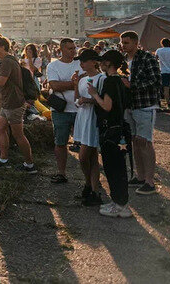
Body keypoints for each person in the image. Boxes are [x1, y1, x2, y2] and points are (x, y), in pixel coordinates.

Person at [0, 35, 37, 173]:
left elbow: (1, 81)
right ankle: (3, 159)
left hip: (14, 102)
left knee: (18, 135)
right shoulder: (6, 60)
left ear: (3, 47)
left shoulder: (7, 62)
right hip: (8, 101)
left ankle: (30, 165)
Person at [90, 50, 133, 218]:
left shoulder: (110, 81)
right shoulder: (121, 81)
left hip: (110, 131)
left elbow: (107, 106)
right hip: (120, 129)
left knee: (113, 168)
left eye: (102, 61)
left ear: (108, 63)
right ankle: (119, 202)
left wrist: (94, 94)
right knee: (119, 168)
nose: (100, 64)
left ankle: (120, 205)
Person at [120, 30, 160, 195]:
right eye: (122, 43)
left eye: (127, 43)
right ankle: (140, 176)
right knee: (135, 142)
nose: (123, 46)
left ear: (136, 43)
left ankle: (150, 181)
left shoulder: (146, 58)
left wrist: (132, 85)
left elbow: (156, 81)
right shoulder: (123, 60)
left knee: (145, 142)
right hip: (130, 106)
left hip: (145, 105)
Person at [45, 38, 82, 184]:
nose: (73, 51)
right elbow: (54, 85)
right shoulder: (53, 66)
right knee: (60, 142)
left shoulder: (80, 63)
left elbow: (86, 82)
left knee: (86, 144)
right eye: (70, 48)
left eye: (74, 48)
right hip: (61, 109)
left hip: (80, 109)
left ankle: (90, 175)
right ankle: (61, 172)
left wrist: (68, 84)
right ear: (61, 49)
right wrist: (74, 83)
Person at [72, 49, 105, 206]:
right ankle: (92, 188)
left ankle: (91, 186)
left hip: (93, 119)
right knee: (91, 158)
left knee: (84, 156)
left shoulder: (101, 78)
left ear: (93, 62)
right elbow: (77, 99)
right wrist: (75, 86)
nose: (81, 64)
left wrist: (89, 100)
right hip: (83, 117)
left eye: (84, 61)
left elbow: (103, 101)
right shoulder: (82, 79)